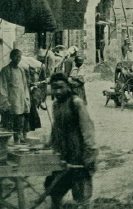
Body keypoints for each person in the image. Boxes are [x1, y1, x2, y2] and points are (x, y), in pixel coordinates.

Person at [45, 72, 97, 209]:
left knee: (81, 193)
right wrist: (49, 144)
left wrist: (90, 152)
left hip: (78, 152)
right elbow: (56, 127)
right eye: (54, 88)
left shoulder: (76, 103)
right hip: (62, 153)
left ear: (68, 86)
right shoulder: (56, 105)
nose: (58, 91)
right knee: (55, 189)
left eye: (61, 87)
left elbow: (87, 128)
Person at [0, 49, 31, 143]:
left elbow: (24, 87)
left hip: (20, 101)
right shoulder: (5, 70)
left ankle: (18, 138)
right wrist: (5, 102)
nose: (18, 59)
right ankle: (4, 142)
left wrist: (26, 100)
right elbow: (2, 87)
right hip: (11, 103)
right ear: (11, 57)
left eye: (20, 57)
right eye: (16, 56)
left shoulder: (21, 71)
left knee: (20, 123)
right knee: (7, 124)